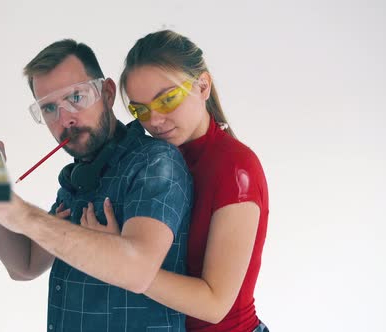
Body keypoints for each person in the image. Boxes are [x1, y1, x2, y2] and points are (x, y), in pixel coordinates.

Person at [0, 39, 194, 331]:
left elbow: (137, 271)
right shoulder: (80, 178)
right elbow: (23, 265)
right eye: (49, 108)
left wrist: (26, 216)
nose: (66, 119)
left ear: (108, 93)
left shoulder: (155, 163)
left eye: (76, 97)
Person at [79, 30, 270, 331]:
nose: (153, 120)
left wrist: (122, 258)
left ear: (203, 86)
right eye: (140, 109)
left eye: (167, 99)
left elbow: (214, 305)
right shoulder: (154, 163)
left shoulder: (236, 169)